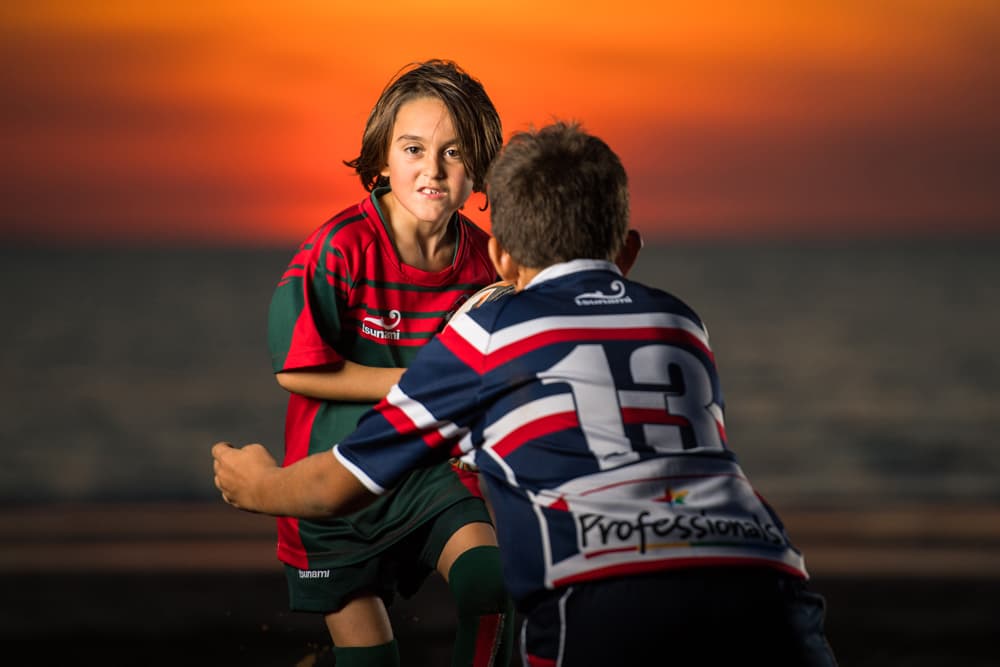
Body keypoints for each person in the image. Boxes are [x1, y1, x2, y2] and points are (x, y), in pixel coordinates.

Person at [216, 122, 837, 665]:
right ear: (628, 251)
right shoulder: (681, 322)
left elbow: (336, 486)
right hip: (768, 582)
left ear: (500, 260)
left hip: (604, 591)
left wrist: (258, 483)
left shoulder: (489, 327)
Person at [263, 59, 514, 667]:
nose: (432, 169)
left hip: (433, 475)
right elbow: (295, 369)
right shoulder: (339, 249)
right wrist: (418, 384)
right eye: (413, 148)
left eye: (454, 153)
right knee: (371, 660)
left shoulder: (487, 264)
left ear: (478, 169)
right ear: (380, 159)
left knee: (493, 586)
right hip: (333, 484)